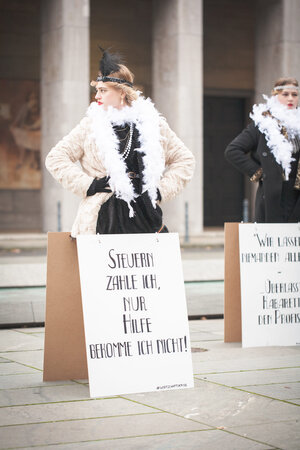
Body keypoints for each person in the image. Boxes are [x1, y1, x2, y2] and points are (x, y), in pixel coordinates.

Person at [46, 48, 195, 236]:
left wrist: (160, 191)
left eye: (103, 90)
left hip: (145, 217)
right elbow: (55, 158)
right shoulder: (90, 125)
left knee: (146, 265)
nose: (97, 96)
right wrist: (89, 185)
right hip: (103, 218)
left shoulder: (152, 124)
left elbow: (185, 160)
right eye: (97, 91)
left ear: (122, 92)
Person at [225, 77, 300, 223]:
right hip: (272, 198)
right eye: (285, 94)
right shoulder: (263, 125)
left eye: (294, 95)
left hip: (297, 198)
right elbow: (233, 150)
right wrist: (260, 172)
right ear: (275, 97)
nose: (290, 98)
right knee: (271, 243)